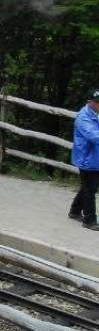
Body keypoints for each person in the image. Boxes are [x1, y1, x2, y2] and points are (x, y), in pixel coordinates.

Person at [68, 89, 99, 230]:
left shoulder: (96, 114)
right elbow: (94, 136)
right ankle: (89, 220)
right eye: (97, 103)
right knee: (90, 189)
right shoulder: (83, 117)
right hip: (86, 158)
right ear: (89, 102)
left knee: (88, 187)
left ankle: (74, 211)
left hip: (95, 157)